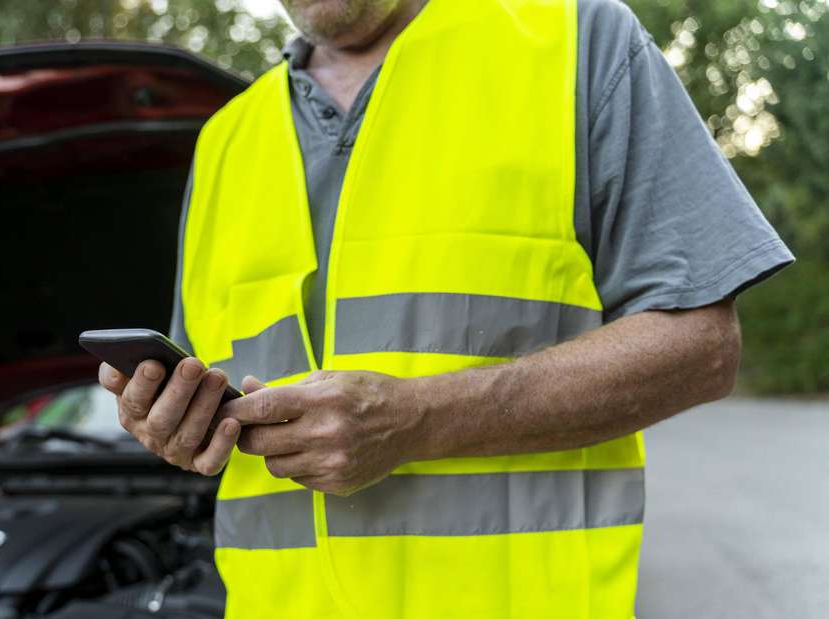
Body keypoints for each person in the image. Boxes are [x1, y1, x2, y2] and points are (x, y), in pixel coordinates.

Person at [98, 0, 794, 616]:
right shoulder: (225, 141)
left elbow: (703, 346)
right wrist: (171, 424)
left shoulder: (578, 43)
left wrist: (420, 420)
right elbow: (205, 402)